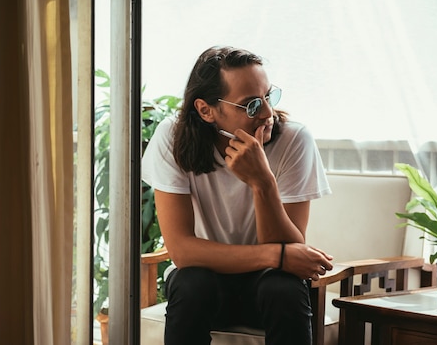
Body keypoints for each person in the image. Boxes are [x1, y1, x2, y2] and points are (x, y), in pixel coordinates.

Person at [141, 46, 334, 345]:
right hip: (206, 285)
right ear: (206, 110)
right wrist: (276, 255)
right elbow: (182, 251)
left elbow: (292, 248)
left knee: (283, 288)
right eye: (252, 105)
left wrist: (263, 182)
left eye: (269, 97)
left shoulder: (295, 139)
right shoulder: (173, 137)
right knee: (190, 282)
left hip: (268, 287)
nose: (268, 113)